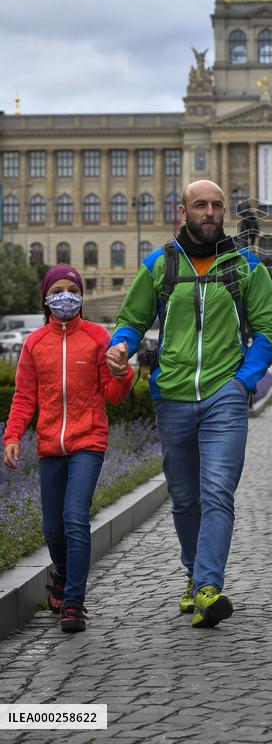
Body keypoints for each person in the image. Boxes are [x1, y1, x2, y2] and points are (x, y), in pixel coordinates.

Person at [106, 180, 272, 629]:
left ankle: (207, 587)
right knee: (184, 499)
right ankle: (192, 574)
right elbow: (131, 320)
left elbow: (266, 331)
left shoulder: (245, 267)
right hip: (174, 397)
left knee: (218, 493)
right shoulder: (159, 265)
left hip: (225, 395)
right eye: (200, 205)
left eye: (216, 205)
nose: (209, 212)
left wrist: (243, 382)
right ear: (182, 210)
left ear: (225, 213)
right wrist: (121, 345)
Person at [2, 265, 133, 633]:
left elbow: (113, 394)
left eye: (72, 290)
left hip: (88, 442)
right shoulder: (34, 343)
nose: (65, 296)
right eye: (57, 289)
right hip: (49, 446)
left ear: (80, 296)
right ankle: (61, 575)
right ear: (45, 297)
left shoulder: (95, 337)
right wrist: (12, 437)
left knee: (75, 518)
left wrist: (123, 374)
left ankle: (74, 601)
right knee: (51, 528)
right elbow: (24, 397)